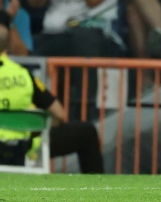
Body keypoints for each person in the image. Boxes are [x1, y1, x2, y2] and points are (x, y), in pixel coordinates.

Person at [0, 10, 104, 173]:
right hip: (25, 146)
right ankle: (99, 195)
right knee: (87, 132)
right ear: (7, 44)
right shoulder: (23, 76)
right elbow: (59, 114)